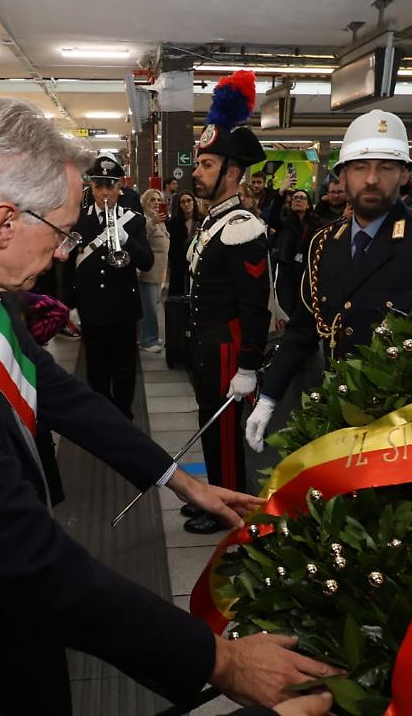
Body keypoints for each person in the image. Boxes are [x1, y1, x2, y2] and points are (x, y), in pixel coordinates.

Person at [0, 97, 334, 716]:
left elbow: (56, 389)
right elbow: (30, 563)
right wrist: (221, 661)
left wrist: (177, 480)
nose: (66, 250)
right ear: (5, 222)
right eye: (62, 230)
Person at [245, 110, 412, 452]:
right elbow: (305, 329)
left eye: (386, 167)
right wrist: (269, 397)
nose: (372, 179)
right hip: (338, 411)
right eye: (360, 167)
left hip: (405, 424)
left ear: (406, 176)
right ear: (342, 177)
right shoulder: (325, 243)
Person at [184, 71, 272, 534]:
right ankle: (213, 496)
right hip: (206, 342)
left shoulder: (242, 226)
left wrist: (249, 366)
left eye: (206, 165)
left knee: (223, 433)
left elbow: (255, 306)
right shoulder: (212, 221)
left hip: (228, 348)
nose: (196, 173)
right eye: (199, 164)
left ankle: (232, 509)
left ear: (232, 172)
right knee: (207, 424)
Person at [65, 156, 153, 419]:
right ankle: (104, 416)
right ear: (91, 188)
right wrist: (69, 304)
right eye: (99, 186)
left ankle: (124, 414)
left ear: (120, 188)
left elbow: (147, 262)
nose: (105, 193)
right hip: (91, 307)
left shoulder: (134, 221)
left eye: (110, 187)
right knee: (96, 367)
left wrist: (126, 239)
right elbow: (68, 264)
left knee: (125, 367)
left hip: (123, 308)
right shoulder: (78, 221)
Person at [269, 188, 317, 317]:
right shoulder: (284, 223)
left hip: (306, 271)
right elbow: (272, 217)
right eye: (295, 198)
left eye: (302, 198)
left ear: (308, 205)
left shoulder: (315, 224)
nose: (298, 200)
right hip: (286, 271)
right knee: (287, 308)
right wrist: (280, 194)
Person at [138, 187, 170, 352]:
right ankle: (147, 340)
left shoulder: (160, 220)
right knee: (148, 307)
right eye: (153, 200)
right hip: (148, 272)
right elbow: (141, 237)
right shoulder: (145, 219)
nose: (157, 203)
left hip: (159, 272)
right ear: (145, 202)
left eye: (159, 200)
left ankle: (152, 336)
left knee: (154, 305)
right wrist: (153, 222)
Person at [167, 190, 199, 296]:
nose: (186, 204)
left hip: (197, 264)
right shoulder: (174, 223)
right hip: (179, 265)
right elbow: (171, 246)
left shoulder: (203, 220)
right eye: (183, 202)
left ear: (194, 202)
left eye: (189, 200)